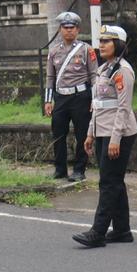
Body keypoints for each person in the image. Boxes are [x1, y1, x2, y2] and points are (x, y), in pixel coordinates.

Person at [74, 25, 137, 248]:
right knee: (114, 181)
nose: (101, 45)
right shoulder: (104, 69)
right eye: (100, 41)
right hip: (101, 130)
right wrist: (90, 133)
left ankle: (98, 231)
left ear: (118, 45)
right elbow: (98, 105)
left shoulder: (123, 71)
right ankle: (122, 230)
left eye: (106, 41)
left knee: (108, 182)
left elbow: (123, 108)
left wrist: (115, 139)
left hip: (117, 133)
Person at [44, 11, 97, 182]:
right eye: (65, 28)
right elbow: (50, 77)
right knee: (58, 134)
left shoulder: (86, 49)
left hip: (81, 97)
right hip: (61, 98)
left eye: (72, 28)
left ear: (78, 30)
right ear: (60, 30)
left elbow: (94, 75)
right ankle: (60, 169)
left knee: (82, 134)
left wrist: (94, 99)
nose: (69, 31)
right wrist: (47, 100)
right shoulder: (53, 51)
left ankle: (79, 170)